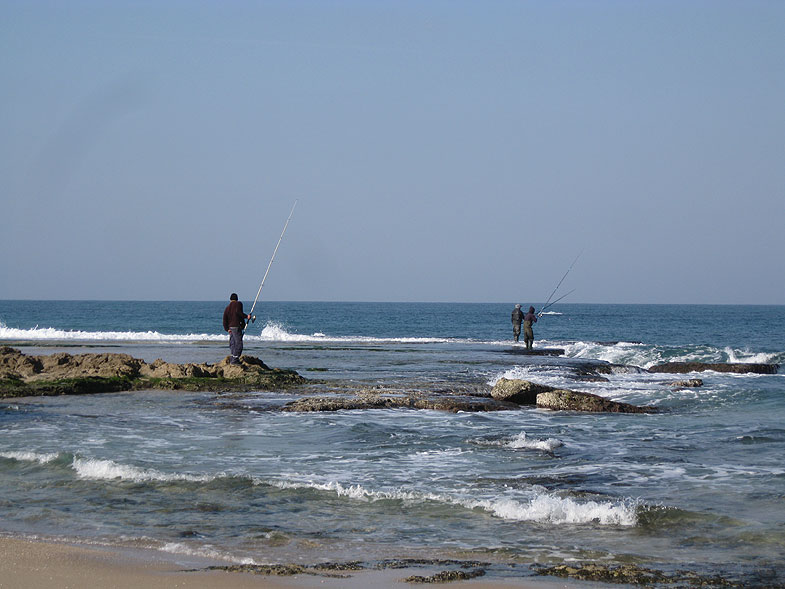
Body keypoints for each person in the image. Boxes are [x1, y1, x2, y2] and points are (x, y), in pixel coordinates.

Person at [223, 293, 251, 364]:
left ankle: (233, 358)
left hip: (231, 328)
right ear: (237, 299)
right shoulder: (239, 304)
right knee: (239, 344)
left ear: (230, 300)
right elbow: (239, 313)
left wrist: (227, 329)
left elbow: (224, 319)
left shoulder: (227, 307)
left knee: (232, 343)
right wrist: (247, 317)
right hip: (236, 327)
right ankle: (235, 359)